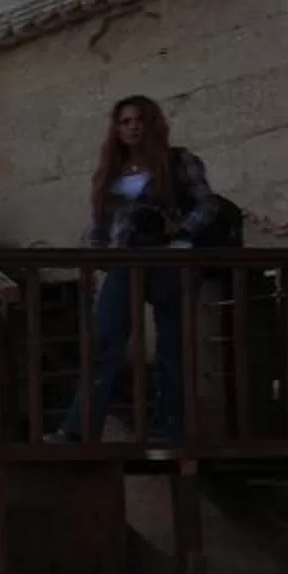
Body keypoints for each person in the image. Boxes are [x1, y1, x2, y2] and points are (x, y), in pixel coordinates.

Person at [56, 94, 230, 442]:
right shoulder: (111, 173)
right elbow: (101, 225)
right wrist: (96, 261)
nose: (133, 127)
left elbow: (207, 205)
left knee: (173, 347)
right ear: (116, 129)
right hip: (124, 261)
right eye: (125, 121)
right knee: (105, 341)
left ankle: (172, 429)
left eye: (139, 120)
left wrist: (183, 234)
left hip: (168, 260)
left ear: (153, 124)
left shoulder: (179, 161)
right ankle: (79, 427)